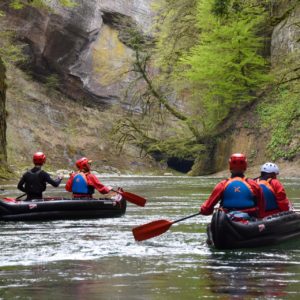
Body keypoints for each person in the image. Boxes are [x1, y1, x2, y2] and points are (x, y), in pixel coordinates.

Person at [199, 153, 264, 218]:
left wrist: (204, 210)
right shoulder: (254, 184)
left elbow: (206, 209)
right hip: (250, 219)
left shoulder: (222, 185)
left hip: (227, 219)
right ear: (245, 167)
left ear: (230, 166)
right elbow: (262, 206)